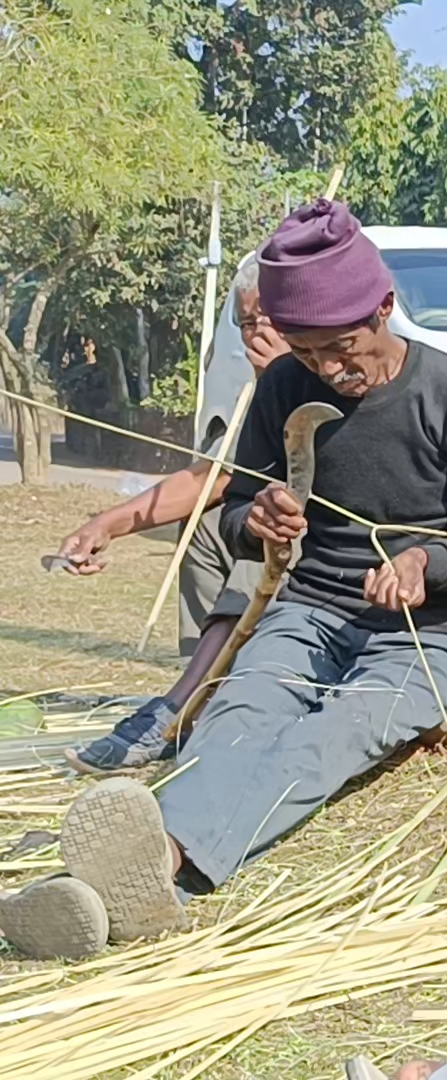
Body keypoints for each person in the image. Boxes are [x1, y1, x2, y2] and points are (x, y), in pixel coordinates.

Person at [10, 201, 447, 956]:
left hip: (425, 634)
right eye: (310, 354)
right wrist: (257, 518)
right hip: (310, 610)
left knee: (333, 735)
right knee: (235, 717)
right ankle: (135, 880)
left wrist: (425, 562)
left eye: (343, 348)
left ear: (385, 308)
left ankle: (160, 864)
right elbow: (235, 502)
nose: (329, 369)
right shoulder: (283, 383)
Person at [58, 255, 284, 772]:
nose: (256, 336)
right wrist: (108, 523)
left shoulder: (319, 373)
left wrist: (284, 382)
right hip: (274, 524)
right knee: (206, 527)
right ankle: (209, 691)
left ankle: (179, 710)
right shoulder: (260, 388)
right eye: (247, 323)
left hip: (331, 541)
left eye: (268, 321)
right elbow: (216, 477)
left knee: (262, 539)